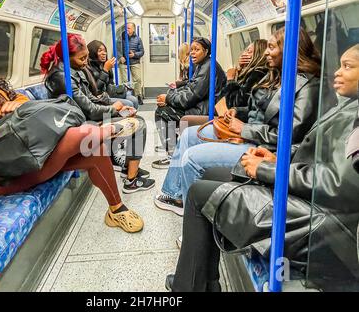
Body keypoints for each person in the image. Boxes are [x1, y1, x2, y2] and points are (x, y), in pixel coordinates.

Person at [0, 28, 143, 233]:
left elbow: (18, 98)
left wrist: (17, 104)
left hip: (15, 151)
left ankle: (116, 208)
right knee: (80, 136)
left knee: (94, 149)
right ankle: (100, 130)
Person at [166, 44, 359, 292]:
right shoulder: (347, 105)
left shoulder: (347, 112)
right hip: (304, 191)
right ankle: (206, 281)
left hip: (321, 220)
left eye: (348, 67)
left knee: (198, 193)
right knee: (211, 176)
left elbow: (337, 184)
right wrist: (274, 157)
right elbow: (312, 149)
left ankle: (189, 286)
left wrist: (266, 169)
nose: (337, 73)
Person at [154, 28, 326, 216]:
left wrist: (244, 128)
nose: (267, 52)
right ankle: (175, 194)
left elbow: (289, 134)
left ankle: (193, 220)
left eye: (271, 47)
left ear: (289, 49)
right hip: (248, 132)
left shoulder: (307, 87)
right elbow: (258, 110)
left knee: (191, 158)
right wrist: (240, 112)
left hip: (263, 147)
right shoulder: (278, 76)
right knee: (188, 134)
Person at [41, 34, 155, 194]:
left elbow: (91, 98)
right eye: (82, 58)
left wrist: (116, 106)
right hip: (77, 125)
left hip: (84, 116)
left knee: (132, 117)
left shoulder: (75, 70)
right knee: (139, 124)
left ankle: (127, 167)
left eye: (87, 57)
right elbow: (91, 110)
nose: (86, 62)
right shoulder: (62, 77)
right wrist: (114, 109)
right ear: (68, 57)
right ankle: (132, 181)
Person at [152, 37, 227, 169]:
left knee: (163, 112)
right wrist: (170, 96)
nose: (192, 52)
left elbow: (191, 96)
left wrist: (169, 98)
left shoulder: (208, 67)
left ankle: (173, 155)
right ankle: (173, 147)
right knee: (166, 106)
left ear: (206, 51)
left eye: (196, 50)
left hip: (207, 109)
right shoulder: (203, 65)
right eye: (191, 50)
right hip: (203, 103)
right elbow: (191, 87)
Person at [87, 40, 139, 109]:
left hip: (107, 94)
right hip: (98, 98)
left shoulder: (105, 64)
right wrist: (105, 70)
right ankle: (118, 118)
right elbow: (96, 91)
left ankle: (131, 119)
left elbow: (110, 83)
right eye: (100, 51)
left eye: (105, 51)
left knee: (134, 99)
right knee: (128, 103)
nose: (104, 53)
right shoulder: (89, 68)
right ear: (93, 53)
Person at [118, 22, 145, 104]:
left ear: (133, 29)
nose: (127, 30)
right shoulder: (120, 38)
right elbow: (117, 49)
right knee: (124, 80)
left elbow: (142, 52)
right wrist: (120, 56)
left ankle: (138, 95)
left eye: (129, 28)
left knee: (138, 79)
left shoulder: (138, 39)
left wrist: (134, 55)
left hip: (134, 61)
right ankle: (125, 95)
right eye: (126, 28)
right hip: (124, 62)